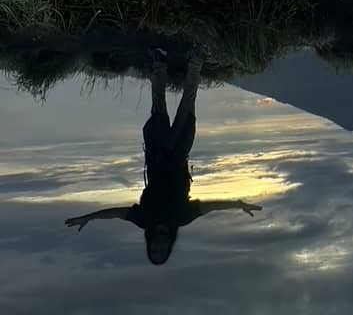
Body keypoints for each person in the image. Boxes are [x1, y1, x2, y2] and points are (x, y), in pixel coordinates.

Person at [64, 48, 262, 265]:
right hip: (178, 153)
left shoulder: (144, 220)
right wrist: (238, 204)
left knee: (160, 107)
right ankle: (191, 63)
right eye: (162, 250)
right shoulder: (181, 218)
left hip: (157, 152)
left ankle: (163, 63)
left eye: (155, 249)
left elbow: (116, 213)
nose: (159, 246)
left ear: (150, 245)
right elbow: (210, 206)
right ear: (168, 247)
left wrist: (89, 217)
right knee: (186, 106)